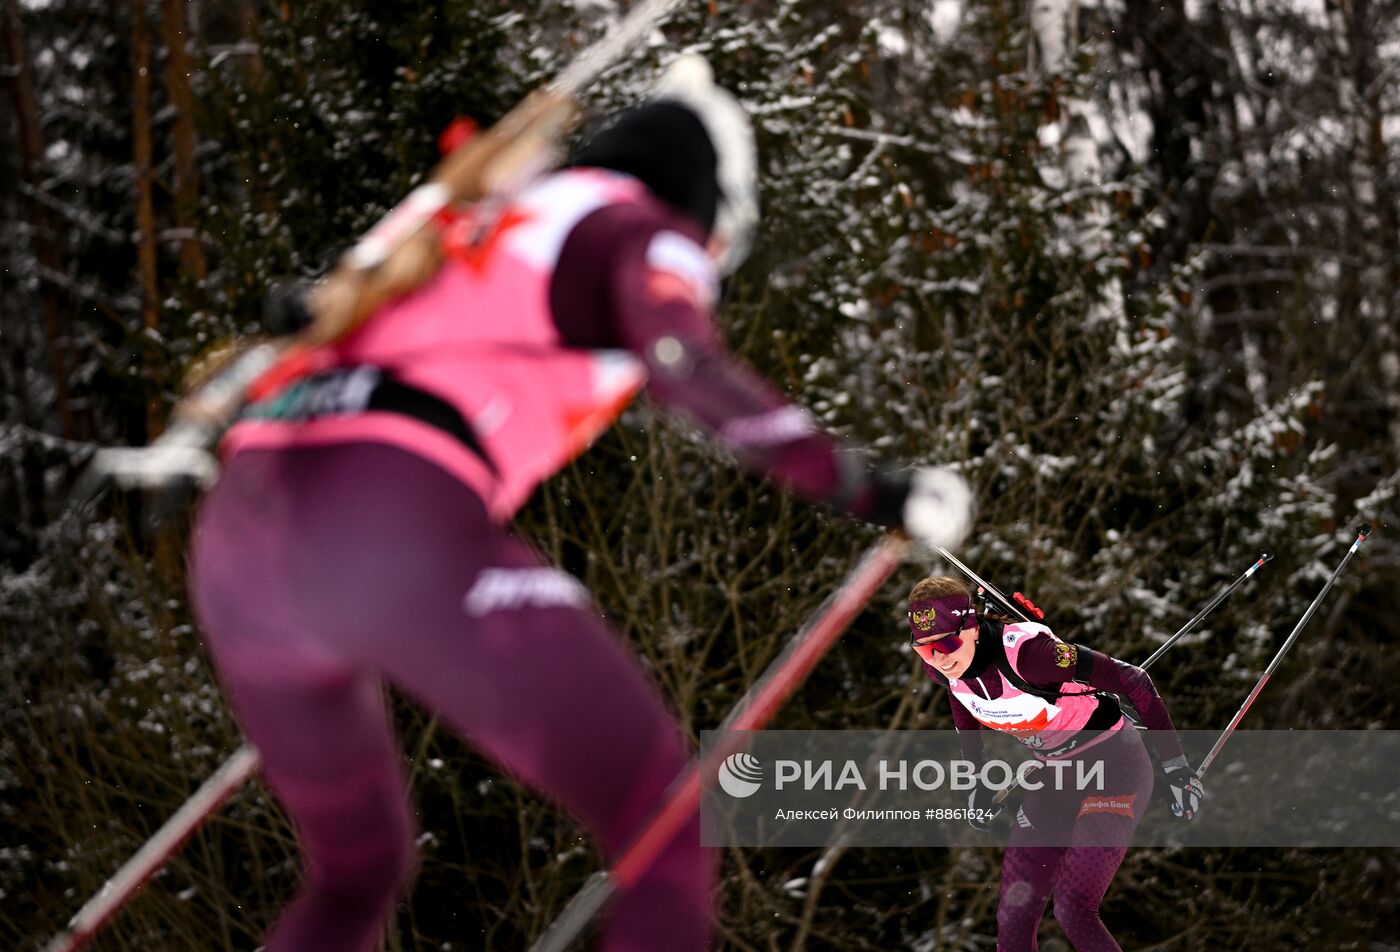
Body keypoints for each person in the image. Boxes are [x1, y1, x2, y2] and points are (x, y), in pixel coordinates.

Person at [188, 55, 974, 952]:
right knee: (663, 818)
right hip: (380, 528)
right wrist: (863, 484)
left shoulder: (468, 220)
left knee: (358, 872)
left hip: (239, 551)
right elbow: (686, 363)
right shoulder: (634, 229)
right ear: (708, 210)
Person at [906, 575, 1205, 952]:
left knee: (1072, 909)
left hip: (1115, 769)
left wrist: (1177, 767)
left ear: (972, 627)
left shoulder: (1034, 658)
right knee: (1012, 917)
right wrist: (976, 782)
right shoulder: (942, 667)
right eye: (925, 649)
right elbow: (962, 706)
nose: (940, 658)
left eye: (948, 642)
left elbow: (1133, 678)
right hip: (1056, 774)